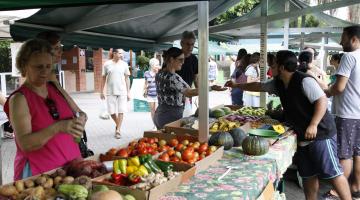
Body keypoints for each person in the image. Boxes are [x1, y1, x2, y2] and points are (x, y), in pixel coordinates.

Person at [225, 50, 352, 200]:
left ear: (282, 67)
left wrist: (314, 124)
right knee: (308, 175)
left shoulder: (304, 80)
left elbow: (322, 100)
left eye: (273, 64)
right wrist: (237, 85)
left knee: (332, 173)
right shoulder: (278, 83)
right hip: (302, 134)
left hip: (320, 133)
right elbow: (258, 86)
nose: (270, 68)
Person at [4, 39, 86, 180]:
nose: (45, 72)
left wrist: (81, 119)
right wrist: (58, 127)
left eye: (48, 66)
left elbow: (80, 113)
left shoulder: (54, 88)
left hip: (71, 168)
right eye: (38, 67)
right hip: (41, 174)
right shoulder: (19, 99)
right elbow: (26, 144)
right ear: (24, 67)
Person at [324, 25, 360, 199]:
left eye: (343, 38)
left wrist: (326, 91)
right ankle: (356, 187)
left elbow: (339, 87)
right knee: (358, 152)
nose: (340, 42)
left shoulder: (349, 57)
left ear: (354, 39)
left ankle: (338, 191)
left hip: (347, 113)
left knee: (344, 153)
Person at [154, 47, 225, 129]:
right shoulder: (173, 78)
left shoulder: (160, 73)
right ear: (171, 59)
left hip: (159, 114)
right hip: (170, 117)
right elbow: (189, 93)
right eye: (180, 60)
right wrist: (211, 88)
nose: (183, 62)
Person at [101, 48, 131, 139]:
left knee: (121, 111)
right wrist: (101, 91)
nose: (122, 55)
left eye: (122, 53)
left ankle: (118, 130)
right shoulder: (107, 64)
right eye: (120, 53)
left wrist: (128, 92)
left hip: (122, 91)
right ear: (114, 53)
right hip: (110, 91)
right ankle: (118, 125)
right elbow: (103, 78)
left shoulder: (124, 64)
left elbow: (127, 78)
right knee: (111, 112)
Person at [144, 58, 161, 130]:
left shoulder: (159, 73)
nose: (158, 66)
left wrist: (158, 73)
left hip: (158, 95)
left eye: (158, 64)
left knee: (157, 111)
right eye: (156, 65)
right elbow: (145, 83)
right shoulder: (146, 73)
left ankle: (158, 125)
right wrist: (144, 90)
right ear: (152, 65)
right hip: (150, 95)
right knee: (152, 111)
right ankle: (155, 125)